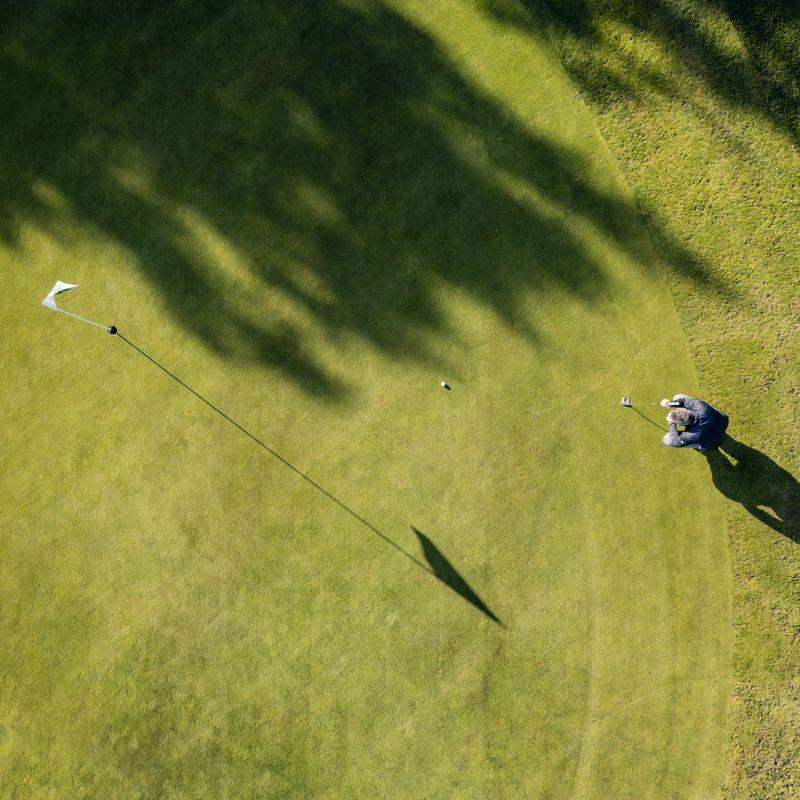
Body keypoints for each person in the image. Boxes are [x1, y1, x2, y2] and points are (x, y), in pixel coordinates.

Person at [659, 394, 728, 452]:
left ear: (682, 424)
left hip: (713, 444)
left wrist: (671, 423)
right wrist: (669, 403)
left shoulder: (691, 435)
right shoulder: (699, 406)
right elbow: (684, 401)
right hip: (723, 420)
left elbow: (674, 442)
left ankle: (701, 447)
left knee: (667, 439)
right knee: (678, 397)